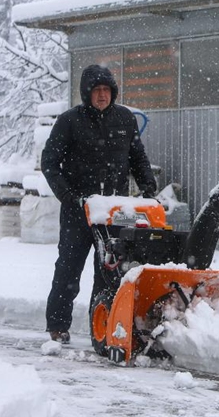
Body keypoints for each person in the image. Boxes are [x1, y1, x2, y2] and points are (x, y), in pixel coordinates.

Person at [41, 64, 157, 343]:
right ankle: (57, 325)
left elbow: (137, 158)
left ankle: (101, 327)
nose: (102, 95)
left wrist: (148, 187)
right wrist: (69, 196)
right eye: (97, 91)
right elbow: (49, 164)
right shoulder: (69, 121)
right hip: (78, 210)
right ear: (87, 94)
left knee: (109, 272)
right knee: (69, 268)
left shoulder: (124, 119)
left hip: (113, 211)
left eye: (107, 90)